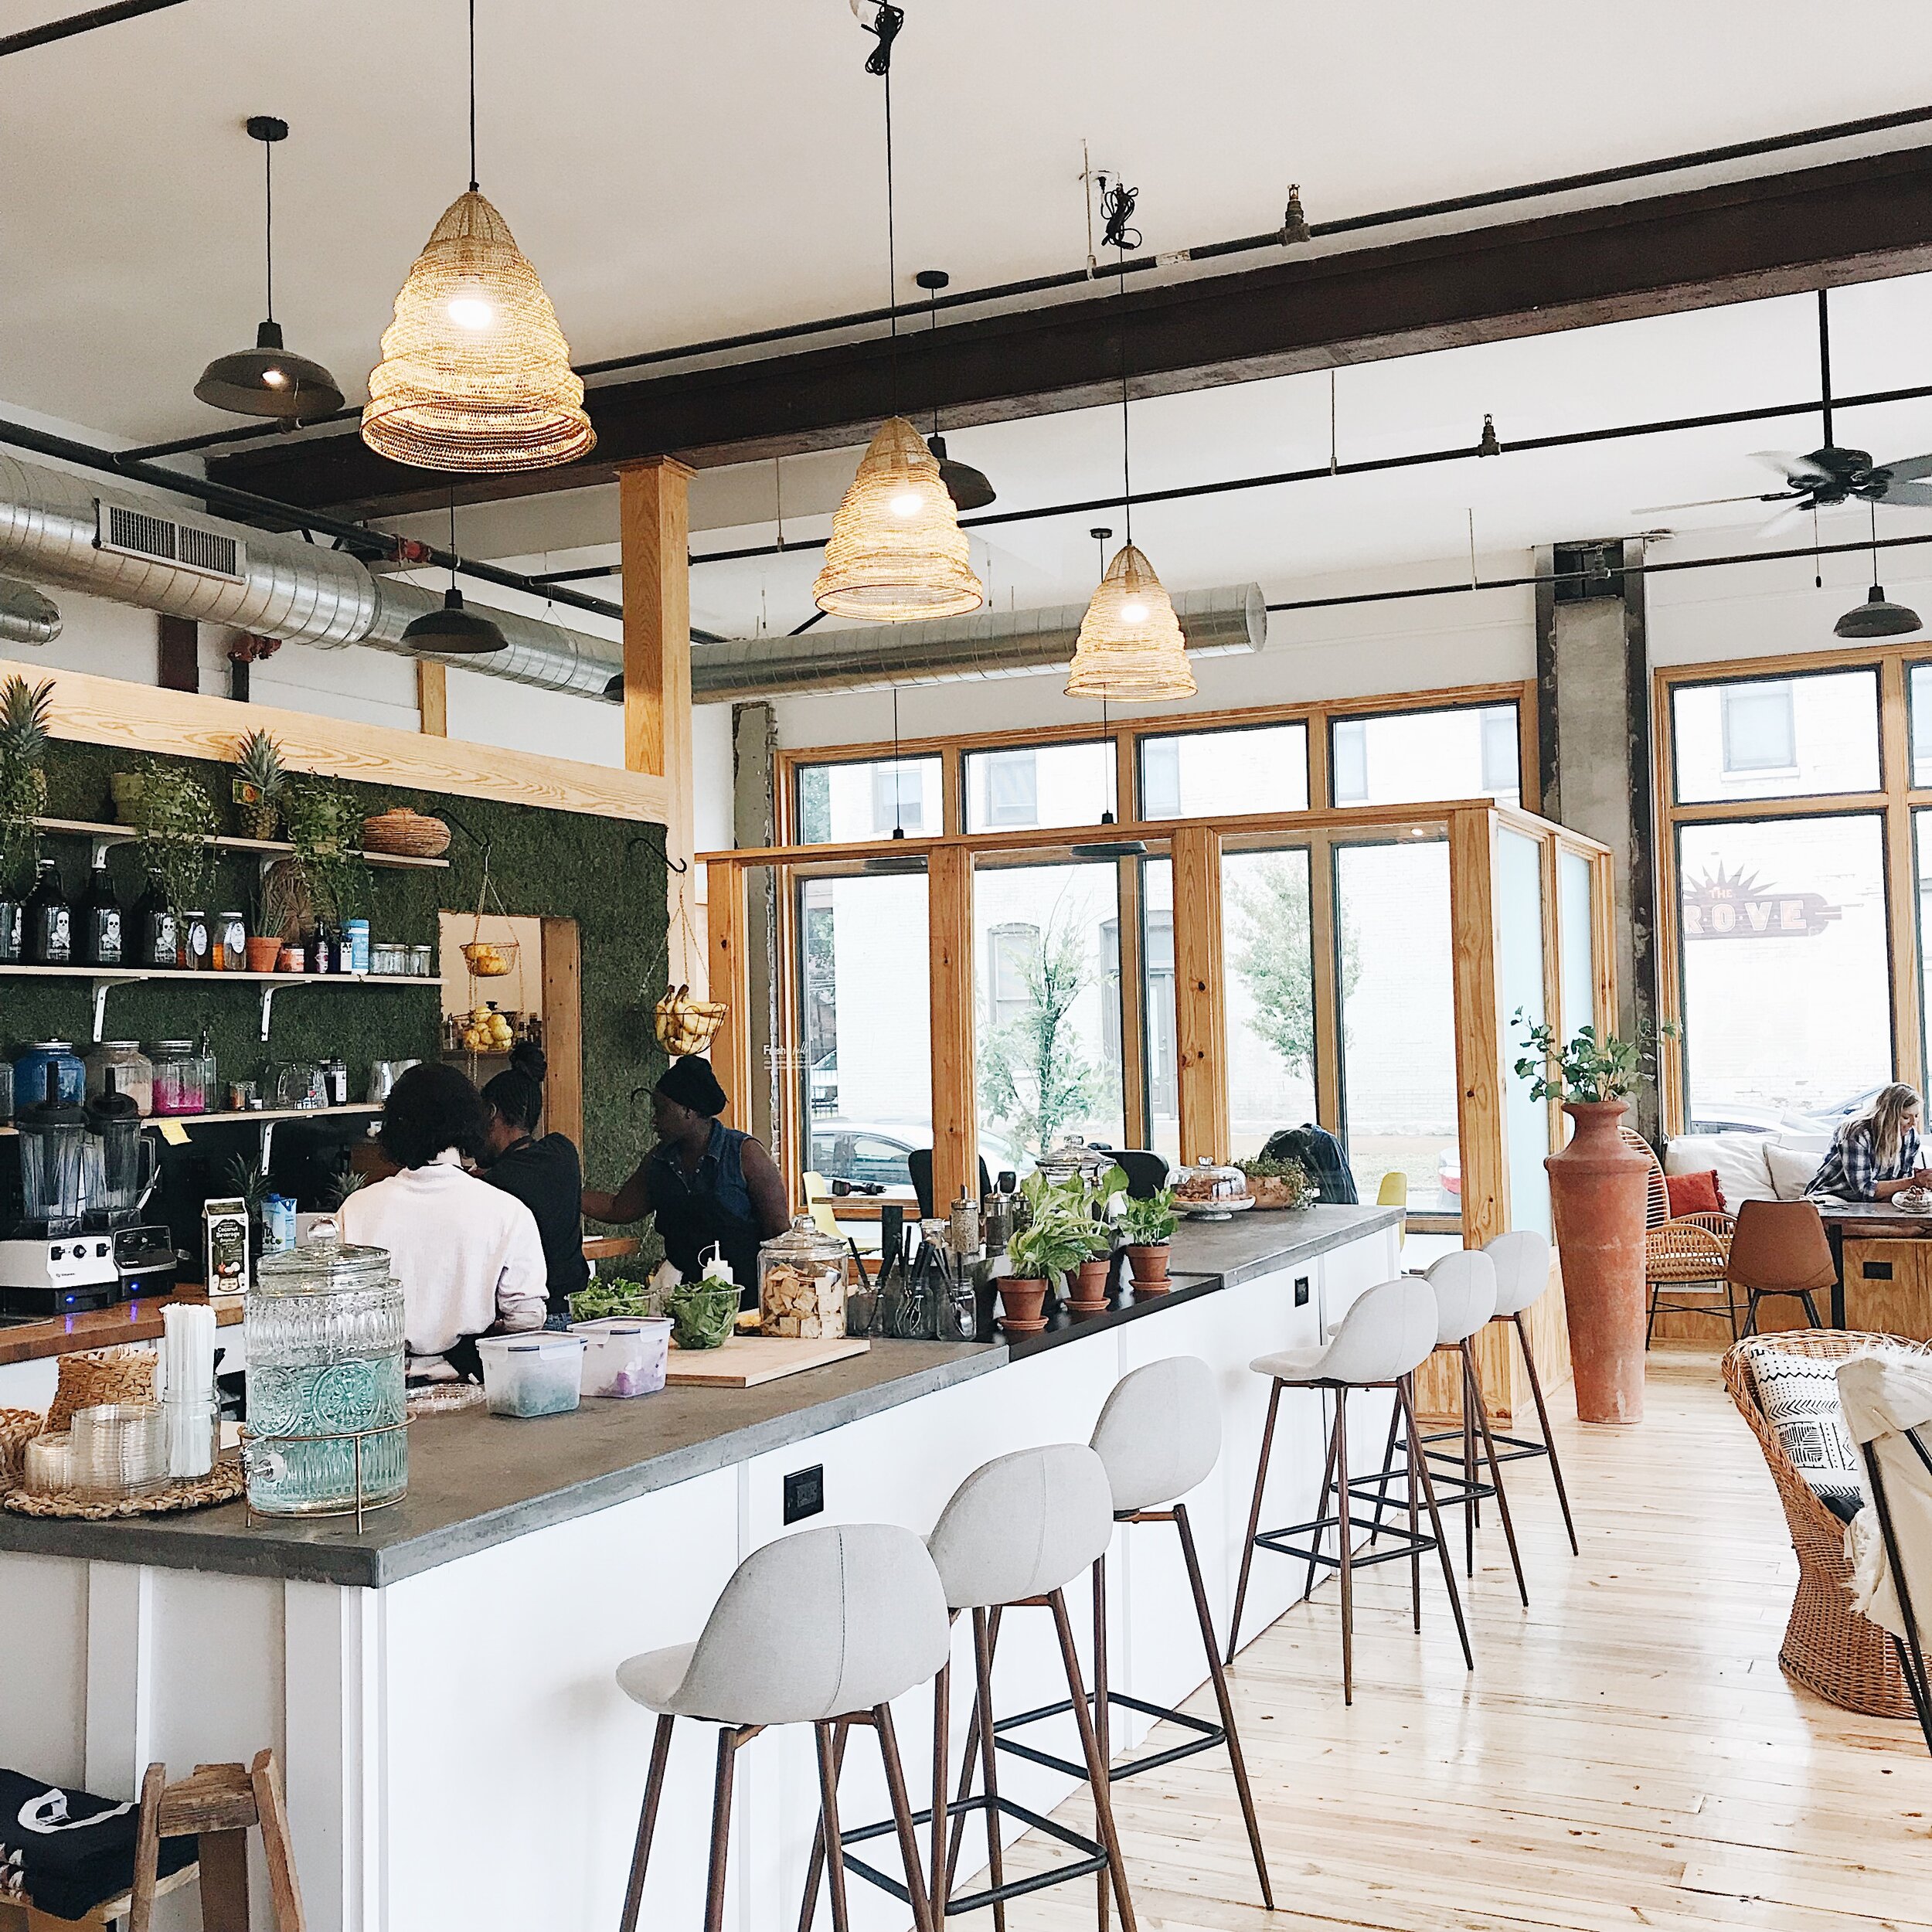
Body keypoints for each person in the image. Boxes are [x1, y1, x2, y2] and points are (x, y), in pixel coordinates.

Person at [341, 1062, 547, 1372]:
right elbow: (527, 1317)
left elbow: (336, 1317)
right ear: (473, 1122)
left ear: (394, 1127)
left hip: (377, 1388)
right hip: (474, 1386)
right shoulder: (508, 1212)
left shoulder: (356, 1210)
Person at [582, 1055, 789, 1298]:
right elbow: (618, 1208)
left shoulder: (745, 1154)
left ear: (688, 1111)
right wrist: (566, 1194)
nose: (654, 1121)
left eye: (661, 1111)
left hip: (746, 1299)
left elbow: (779, 1237)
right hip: (683, 1298)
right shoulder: (659, 1161)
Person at [479, 1043, 590, 1325]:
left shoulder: (494, 1184)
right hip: (576, 1313)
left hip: (532, 1319)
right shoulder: (563, 1152)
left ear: (492, 1113)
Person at [1808, 1083, 1932, 1202]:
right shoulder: (1856, 1133)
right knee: (1888, 1225)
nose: (1913, 1123)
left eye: (1916, 1116)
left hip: (1873, 1202)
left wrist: (1919, 1185)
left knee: (1916, 1223)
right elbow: (1864, 1190)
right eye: (1906, 1117)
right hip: (1832, 1196)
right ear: (1888, 1116)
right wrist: (1913, 1182)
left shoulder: (1910, 1137)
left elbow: (1901, 1183)